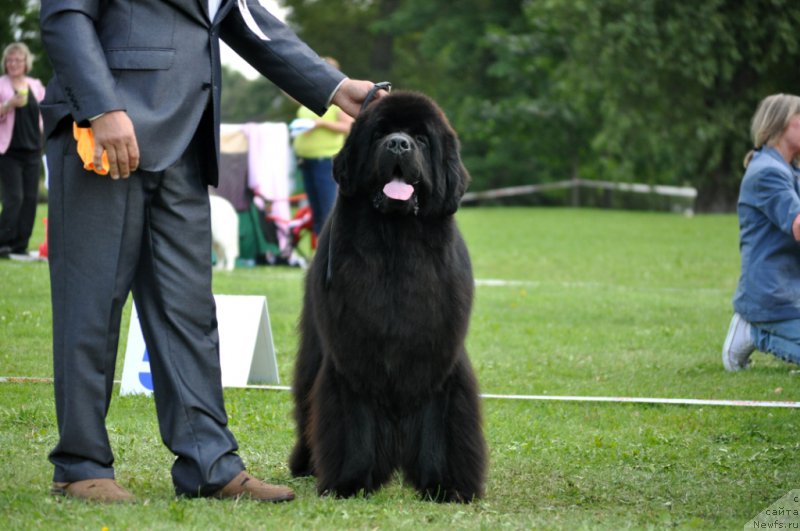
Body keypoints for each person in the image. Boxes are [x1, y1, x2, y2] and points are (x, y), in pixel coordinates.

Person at [38, 1, 383, 504]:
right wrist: (101, 106)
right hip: (104, 129)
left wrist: (333, 87)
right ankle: (80, 464)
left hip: (186, 137)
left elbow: (244, 16)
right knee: (89, 305)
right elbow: (66, 13)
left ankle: (209, 464)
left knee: (190, 309)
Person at [723, 93, 800, 372]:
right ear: (780, 125)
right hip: (772, 294)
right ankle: (752, 332)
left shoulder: (789, 170)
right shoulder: (767, 172)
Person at [293, 57, 354, 235]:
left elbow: (349, 126)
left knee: (329, 211)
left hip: (326, 162)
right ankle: (321, 255)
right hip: (306, 161)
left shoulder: (337, 102)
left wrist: (320, 124)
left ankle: (331, 254)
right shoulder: (310, 98)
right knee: (317, 212)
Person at [0, 42, 45, 258]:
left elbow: (46, 111)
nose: (13, 64)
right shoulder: (1, 85)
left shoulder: (35, 85)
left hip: (33, 149)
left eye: (17, 60)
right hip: (8, 151)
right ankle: (3, 242)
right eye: (9, 60)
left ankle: (20, 245)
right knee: (14, 198)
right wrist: (9, 104)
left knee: (30, 199)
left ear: (25, 62)